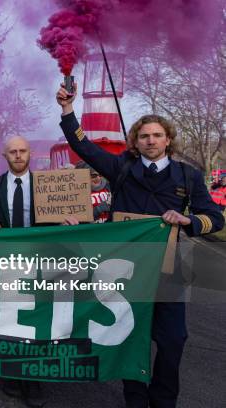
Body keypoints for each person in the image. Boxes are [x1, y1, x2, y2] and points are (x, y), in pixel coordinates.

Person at [57, 82, 224, 408]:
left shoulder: (188, 176)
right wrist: (67, 110)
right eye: (144, 136)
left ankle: (164, 399)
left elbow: (214, 218)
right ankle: (134, 398)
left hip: (172, 269)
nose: (150, 140)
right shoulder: (121, 169)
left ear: (167, 139)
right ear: (135, 140)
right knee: (131, 338)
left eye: (156, 135)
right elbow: (85, 148)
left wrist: (190, 221)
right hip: (126, 268)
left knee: (174, 339)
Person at [0, 136, 47, 407]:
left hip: (39, 260)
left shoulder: (47, 186)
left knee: (36, 319)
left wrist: (69, 221)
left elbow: (56, 222)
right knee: (8, 317)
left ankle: (34, 380)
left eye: (22, 151)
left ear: (31, 153)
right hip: (5, 261)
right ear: (5, 156)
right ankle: (11, 373)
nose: (18, 155)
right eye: (13, 152)